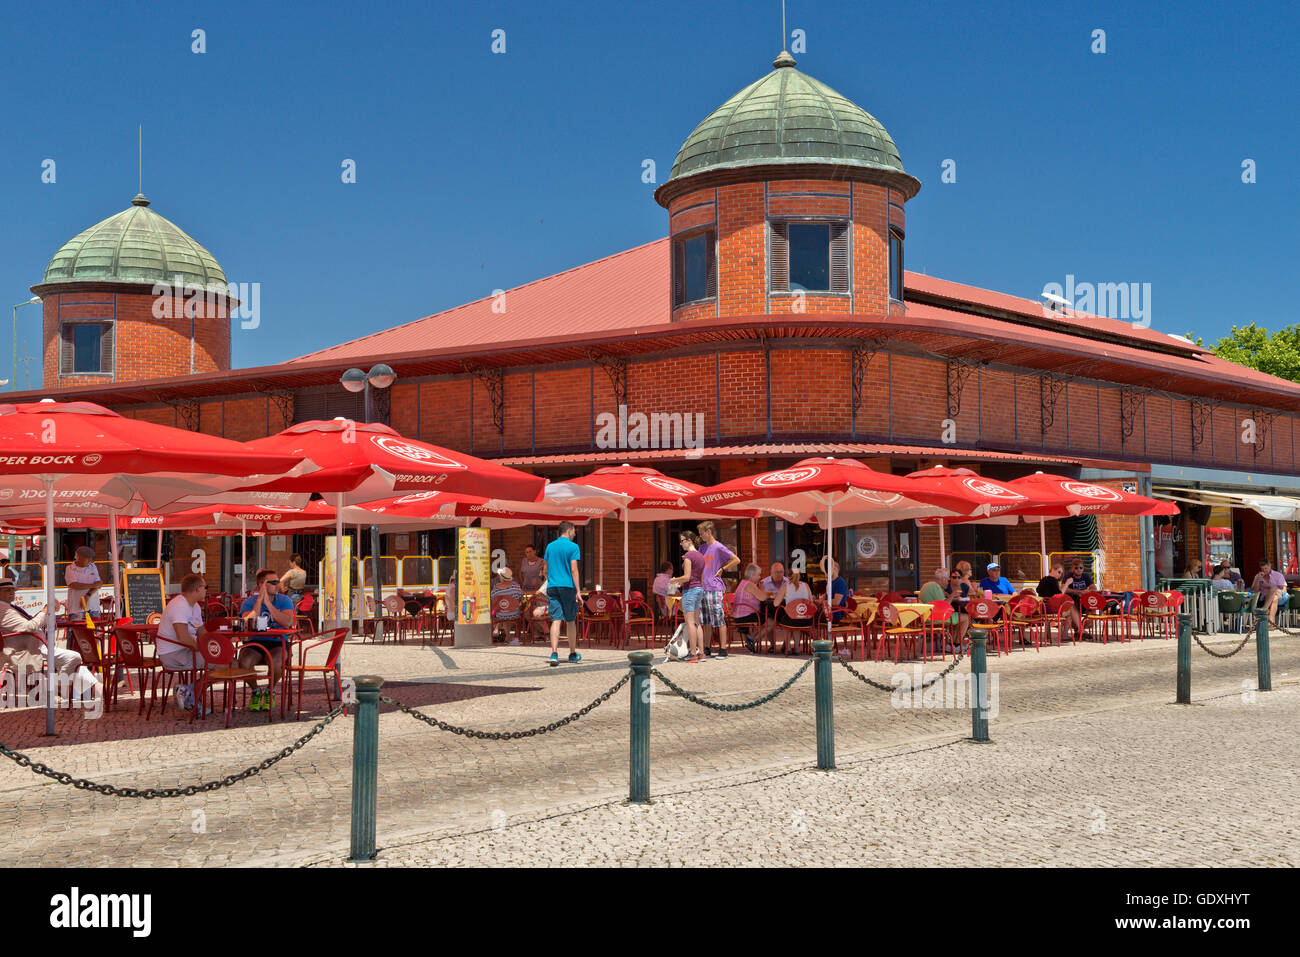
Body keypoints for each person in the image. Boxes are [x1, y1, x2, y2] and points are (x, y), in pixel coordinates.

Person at [0, 580, 100, 700]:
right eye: (7, 590)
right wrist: (45, 611)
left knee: (72, 660)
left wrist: (46, 611)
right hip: (27, 649)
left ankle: (94, 686)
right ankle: (56, 689)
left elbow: (28, 624)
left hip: (34, 644)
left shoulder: (7, 607)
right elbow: (29, 627)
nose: (11, 592)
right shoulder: (4, 610)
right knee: (74, 657)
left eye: (12, 590)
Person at [238, 568, 296, 711]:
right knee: (243, 662)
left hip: (278, 642)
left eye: (278, 581)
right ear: (261, 585)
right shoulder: (249, 602)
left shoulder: (284, 600)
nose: (278, 584)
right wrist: (259, 601)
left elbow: (287, 622)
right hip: (255, 642)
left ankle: (270, 691)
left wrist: (269, 604)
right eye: (273, 582)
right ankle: (255, 691)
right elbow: (246, 622)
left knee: (277, 661)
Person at [155, 574, 211, 713]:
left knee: (226, 661)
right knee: (224, 663)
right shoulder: (180, 605)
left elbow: (201, 632)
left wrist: (214, 646)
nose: (207, 591)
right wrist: (204, 650)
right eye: (206, 587)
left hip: (184, 651)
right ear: (198, 589)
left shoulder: (195, 606)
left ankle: (188, 691)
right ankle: (189, 693)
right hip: (173, 655)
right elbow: (183, 637)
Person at [697, 521, 739, 658]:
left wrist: (723, 569)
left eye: (701, 533)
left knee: (719, 618)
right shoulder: (702, 548)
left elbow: (736, 559)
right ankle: (707, 648)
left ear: (708, 532)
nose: (700, 536)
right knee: (706, 620)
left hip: (715, 587)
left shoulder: (719, 547)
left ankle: (723, 649)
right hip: (703, 587)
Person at [543, 521, 582, 665]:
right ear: (569, 530)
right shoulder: (573, 547)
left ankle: (554, 653)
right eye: (574, 530)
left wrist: (551, 580)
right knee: (570, 620)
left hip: (552, 586)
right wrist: (578, 590)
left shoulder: (550, 546)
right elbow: (574, 570)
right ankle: (572, 653)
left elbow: (545, 569)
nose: (575, 533)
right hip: (567, 586)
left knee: (556, 619)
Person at [670, 531, 706, 663]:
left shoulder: (688, 556)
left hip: (690, 591)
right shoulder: (701, 556)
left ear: (689, 540)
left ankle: (692, 654)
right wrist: (683, 581)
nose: (680, 543)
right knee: (697, 623)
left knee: (690, 622)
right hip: (699, 589)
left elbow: (687, 576)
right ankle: (701, 652)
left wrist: (674, 580)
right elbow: (700, 577)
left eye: (682, 540)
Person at [1036, 563, 1082, 642]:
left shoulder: (1043, 580)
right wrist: (1067, 584)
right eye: (1059, 572)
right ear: (1053, 570)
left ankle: (1047, 635)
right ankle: (1069, 633)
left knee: (1063, 610)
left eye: (1061, 573)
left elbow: (1038, 591)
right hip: (1051, 609)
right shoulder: (1053, 580)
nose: (1060, 575)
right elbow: (1059, 595)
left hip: (1043, 608)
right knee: (1070, 610)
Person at [773, 568, 814, 654]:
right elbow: (811, 602)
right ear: (799, 576)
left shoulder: (786, 586)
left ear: (788, 577)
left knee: (786, 620)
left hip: (791, 620)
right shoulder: (806, 585)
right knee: (797, 618)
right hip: (806, 620)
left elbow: (775, 604)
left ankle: (787, 647)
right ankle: (796, 648)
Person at [731, 564, 768, 653]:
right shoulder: (750, 585)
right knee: (770, 622)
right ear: (752, 575)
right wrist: (762, 588)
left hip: (738, 615)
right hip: (745, 616)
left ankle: (750, 638)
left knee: (765, 618)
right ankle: (752, 640)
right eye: (758, 575)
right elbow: (763, 597)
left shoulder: (743, 583)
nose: (760, 577)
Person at [64, 546, 101, 620]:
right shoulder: (70, 568)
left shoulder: (93, 566)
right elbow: (74, 585)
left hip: (93, 608)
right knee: (76, 631)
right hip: (76, 609)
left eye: (90, 559)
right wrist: (93, 585)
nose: (90, 561)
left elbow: (99, 583)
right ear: (78, 557)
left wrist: (88, 595)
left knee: (95, 631)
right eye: (87, 558)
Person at [1250, 560, 1289, 626]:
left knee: (1273, 589)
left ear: (1270, 566)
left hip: (1281, 596)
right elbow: (1254, 590)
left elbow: (1284, 590)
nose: (1264, 570)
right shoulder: (1259, 576)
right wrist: (1257, 579)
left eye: (1266, 568)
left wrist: (1268, 586)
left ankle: (1264, 609)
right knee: (1274, 598)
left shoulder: (1278, 575)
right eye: (1262, 569)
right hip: (1266, 597)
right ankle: (1270, 623)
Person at [490, 568, 523, 643]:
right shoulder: (516, 587)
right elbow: (520, 599)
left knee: (503, 609)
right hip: (514, 614)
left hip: (500, 615)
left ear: (501, 577)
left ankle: (506, 635)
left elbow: (492, 600)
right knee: (511, 609)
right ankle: (514, 636)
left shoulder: (496, 588)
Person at [818, 555, 849, 623]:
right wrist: (817, 600)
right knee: (809, 616)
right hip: (828, 611)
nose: (827, 570)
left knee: (810, 618)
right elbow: (826, 597)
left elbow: (836, 602)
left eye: (830, 568)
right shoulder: (830, 582)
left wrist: (823, 602)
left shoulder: (840, 582)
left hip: (835, 613)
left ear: (836, 569)